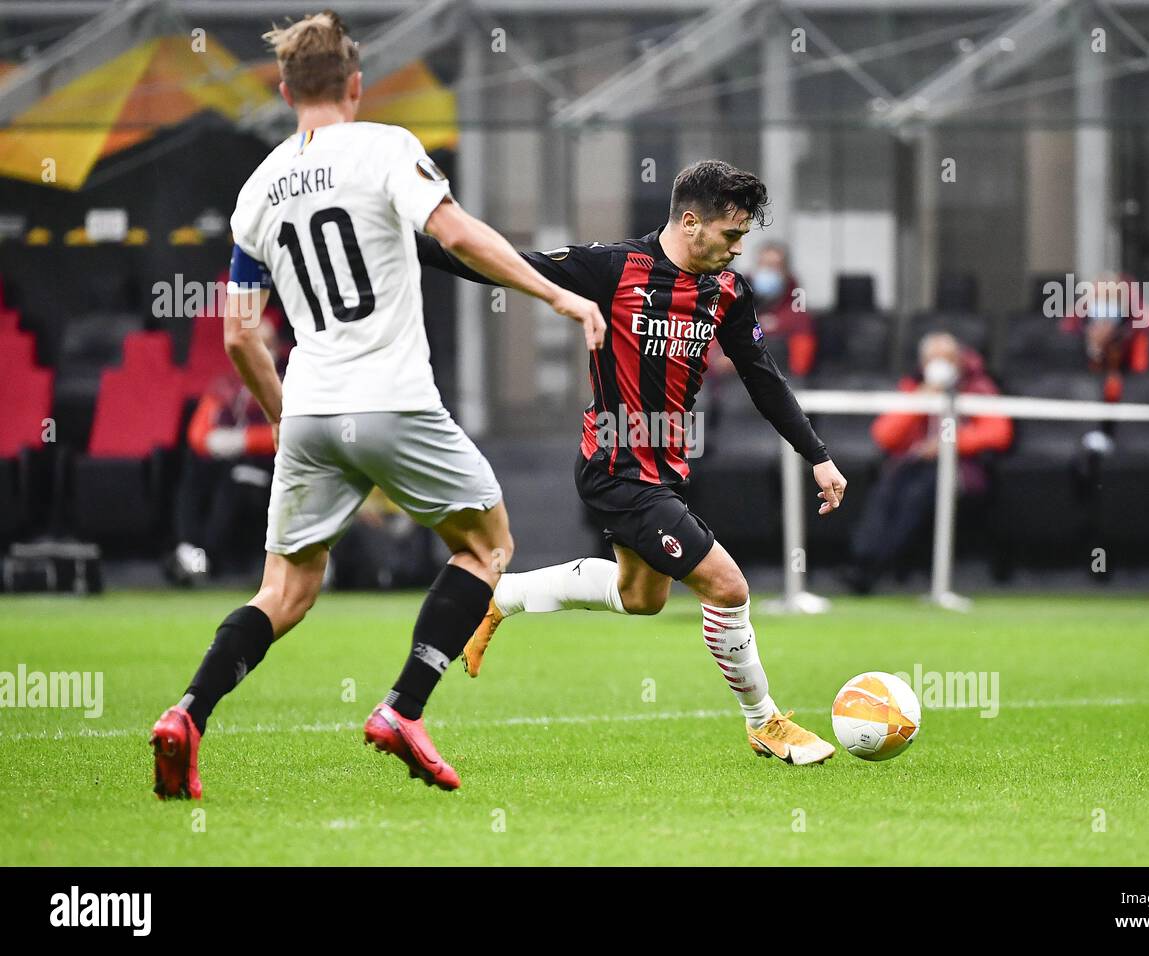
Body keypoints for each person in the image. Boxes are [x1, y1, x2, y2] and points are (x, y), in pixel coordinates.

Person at [148, 11, 605, 799]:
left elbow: (238, 337)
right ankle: (403, 707)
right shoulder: (387, 147)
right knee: (489, 546)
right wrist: (556, 294)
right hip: (393, 400)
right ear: (356, 86)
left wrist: (288, 420)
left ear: (285, 90)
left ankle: (188, 712)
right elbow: (456, 234)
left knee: (284, 592)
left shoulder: (258, 189)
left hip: (314, 409)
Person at [419, 160, 849, 766]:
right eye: (731, 235)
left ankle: (499, 596)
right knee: (727, 588)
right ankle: (765, 722)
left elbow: (763, 378)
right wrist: (403, 245)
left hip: (665, 469)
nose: (738, 249)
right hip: (616, 468)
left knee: (642, 596)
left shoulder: (727, 292)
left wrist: (817, 456)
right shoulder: (616, 268)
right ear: (692, 222)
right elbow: (508, 267)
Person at [841, 332, 1012, 594]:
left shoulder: (979, 386)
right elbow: (884, 435)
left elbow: (999, 433)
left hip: (960, 469)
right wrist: (921, 399)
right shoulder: (913, 386)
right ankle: (861, 560)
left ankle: (877, 567)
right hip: (911, 464)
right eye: (933, 359)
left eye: (947, 358)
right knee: (885, 492)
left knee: (916, 496)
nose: (940, 364)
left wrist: (949, 443)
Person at [166, 319, 281, 585]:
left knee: (235, 479)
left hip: (269, 466)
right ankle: (190, 549)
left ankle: (209, 555)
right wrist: (214, 441)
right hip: (225, 463)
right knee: (193, 468)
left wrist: (244, 440)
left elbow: (289, 431)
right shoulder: (226, 386)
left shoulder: (286, 384)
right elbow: (198, 434)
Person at [749, 242, 816, 378]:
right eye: (764, 264)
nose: (768, 270)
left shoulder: (795, 297)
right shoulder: (741, 291)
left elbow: (801, 318)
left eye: (774, 266)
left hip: (783, 376)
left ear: (784, 269)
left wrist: (774, 324)